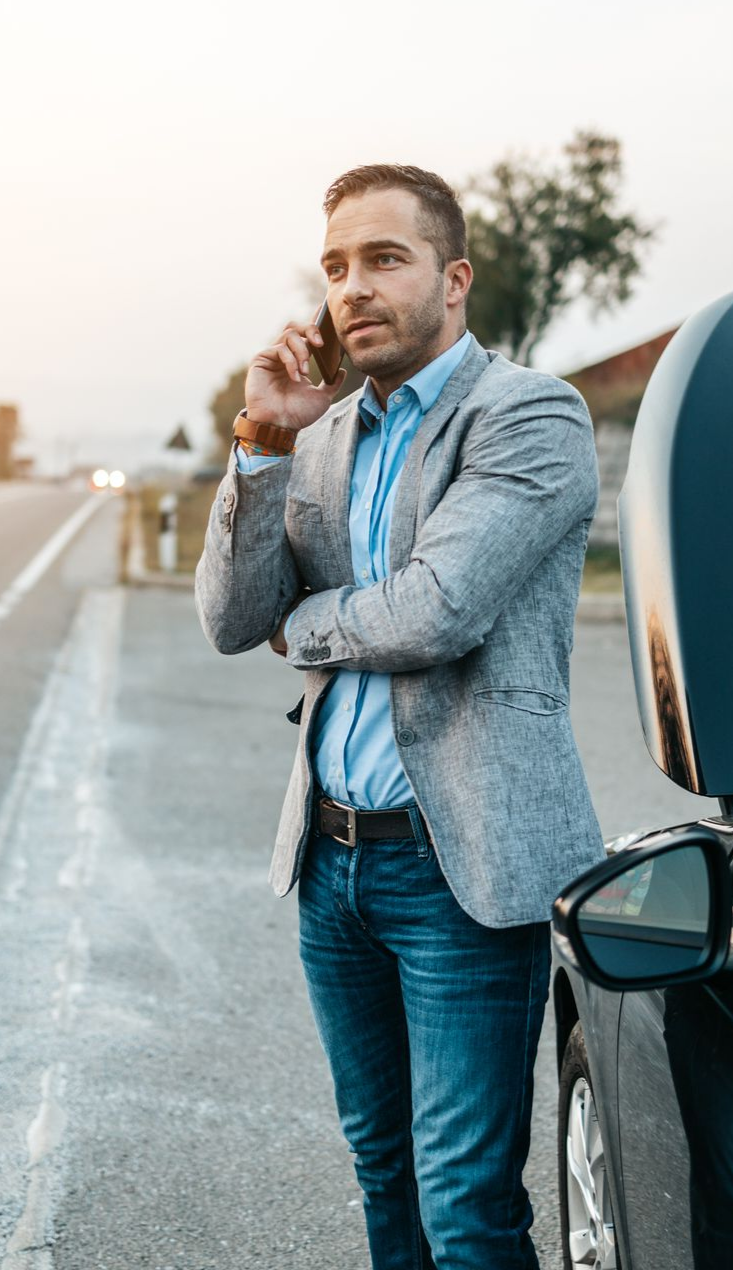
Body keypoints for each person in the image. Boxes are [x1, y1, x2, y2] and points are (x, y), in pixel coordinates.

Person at [196, 164, 604, 1270]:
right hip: (331, 864)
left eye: (385, 258)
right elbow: (234, 619)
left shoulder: (530, 413)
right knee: (383, 1170)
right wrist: (263, 446)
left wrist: (310, 620)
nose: (353, 289)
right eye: (336, 267)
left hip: (460, 866)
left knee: (466, 1203)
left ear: (454, 278)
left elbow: (439, 610)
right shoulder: (319, 437)